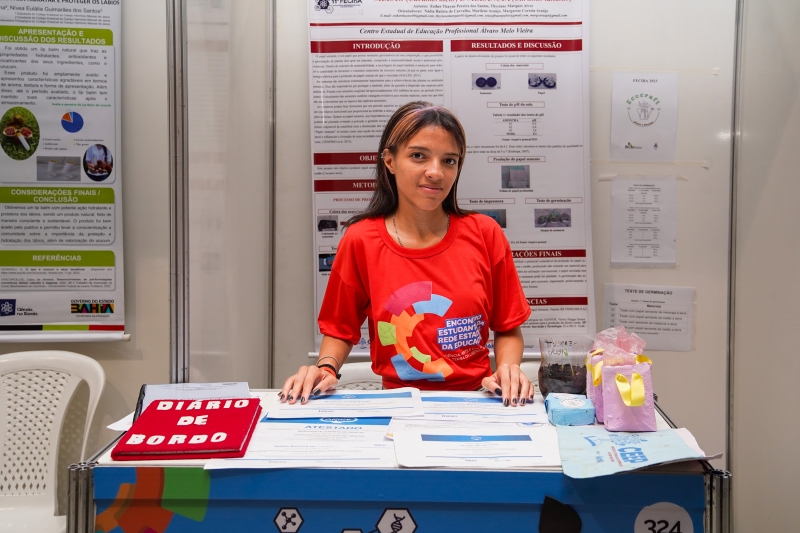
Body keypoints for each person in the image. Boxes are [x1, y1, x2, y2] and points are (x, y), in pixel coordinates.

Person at [280, 101, 533, 406]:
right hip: (397, 405)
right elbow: (340, 329)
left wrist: (508, 370)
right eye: (418, 156)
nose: (436, 172)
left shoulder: (485, 233)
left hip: (478, 401)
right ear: (389, 160)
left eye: (449, 160)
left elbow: (508, 327)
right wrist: (325, 368)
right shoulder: (361, 239)